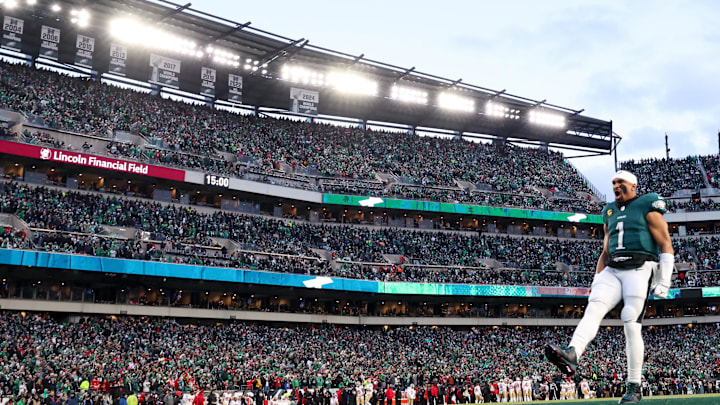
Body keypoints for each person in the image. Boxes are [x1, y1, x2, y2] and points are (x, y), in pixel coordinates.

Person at [545, 170, 674, 404]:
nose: (616, 186)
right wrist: (596, 279)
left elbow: (665, 241)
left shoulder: (647, 203)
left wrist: (664, 279)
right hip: (613, 268)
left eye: (620, 182)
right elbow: (605, 251)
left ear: (633, 186)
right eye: (613, 182)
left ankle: (634, 386)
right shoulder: (609, 211)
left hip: (640, 266)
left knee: (630, 321)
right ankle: (573, 353)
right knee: (594, 307)